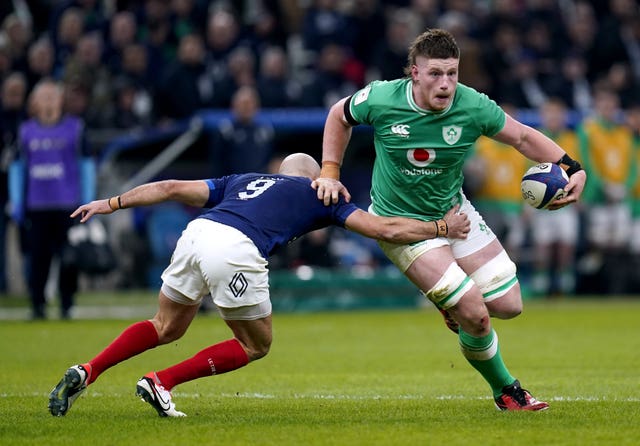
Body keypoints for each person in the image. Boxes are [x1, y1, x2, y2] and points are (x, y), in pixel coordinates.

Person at [48, 152, 470, 418]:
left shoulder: (242, 181)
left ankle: (88, 370)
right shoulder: (321, 193)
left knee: (165, 326)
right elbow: (384, 229)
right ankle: (161, 382)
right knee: (256, 344)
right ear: (315, 177)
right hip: (235, 246)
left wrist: (111, 203)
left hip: (198, 233)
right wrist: (441, 226)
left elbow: (171, 187)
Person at [313, 29, 587, 411]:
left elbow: (522, 137)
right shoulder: (381, 97)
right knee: (475, 314)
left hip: (453, 212)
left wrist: (572, 167)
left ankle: (451, 302)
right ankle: (506, 391)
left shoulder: (472, 105)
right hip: (401, 223)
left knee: (509, 305)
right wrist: (329, 171)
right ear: (415, 73)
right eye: (436, 74)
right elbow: (337, 116)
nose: (445, 84)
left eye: (453, 73)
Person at [8, 79, 95, 319]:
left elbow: (86, 165)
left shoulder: (75, 128)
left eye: (52, 96)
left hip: (68, 205)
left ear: (60, 100)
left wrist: (88, 199)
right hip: (37, 205)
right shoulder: (25, 131)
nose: (47, 101)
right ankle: (38, 305)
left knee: (69, 257)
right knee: (38, 259)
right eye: (42, 97)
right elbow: (18, 167)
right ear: (33, 103)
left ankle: (67, 303)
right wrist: (17, 201)